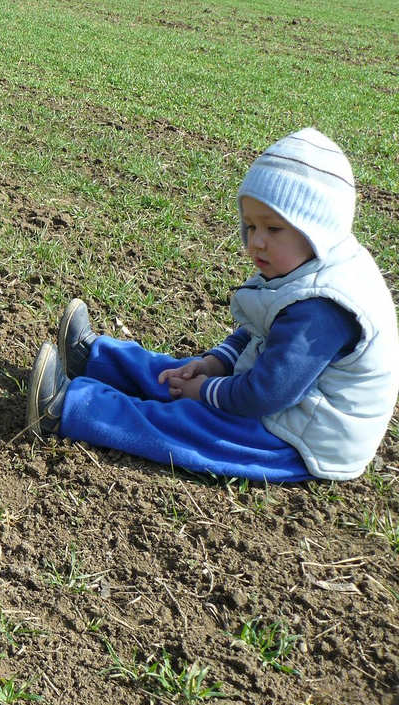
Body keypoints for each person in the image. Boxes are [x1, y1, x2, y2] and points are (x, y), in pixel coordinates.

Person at [26, 127, 399, 483]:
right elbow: (261, 331)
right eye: (251, 227)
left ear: (318, 228)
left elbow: (264, 394)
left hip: (300, 438)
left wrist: (205, 391)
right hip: (285, 402)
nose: (256, 242)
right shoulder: (306, 264)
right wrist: (213, 364)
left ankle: (65, 408)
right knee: (179, 373)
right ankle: (93, 358)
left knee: (183, 421)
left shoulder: (323, 308)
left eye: (273, 229)